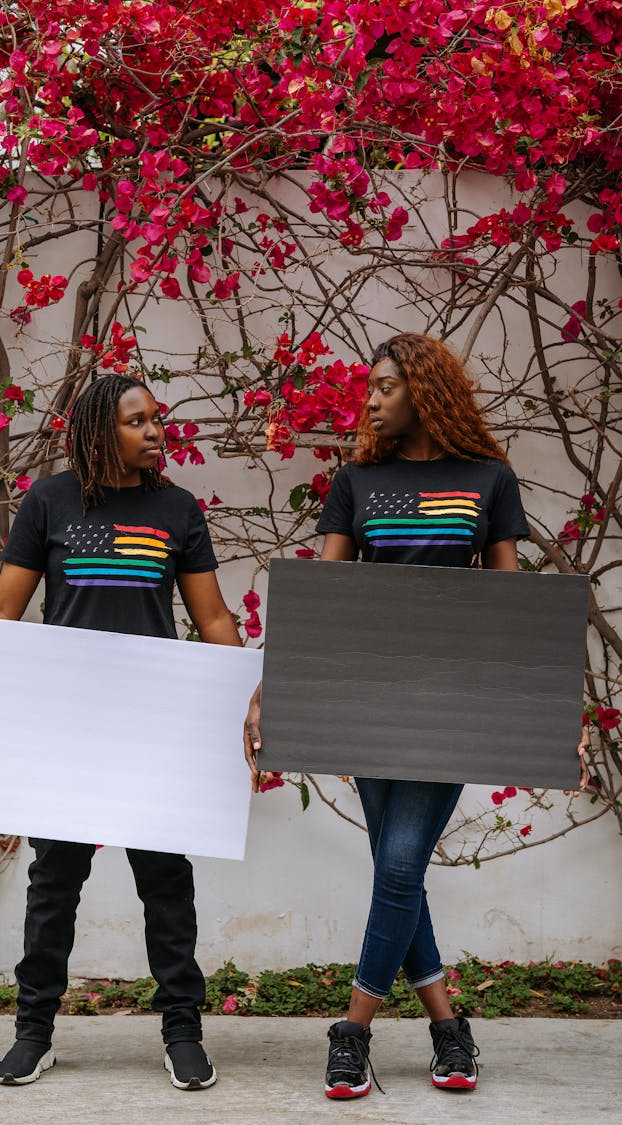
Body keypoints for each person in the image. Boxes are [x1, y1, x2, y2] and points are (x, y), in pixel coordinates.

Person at [243, 332, 589, 1099]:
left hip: (451, 704)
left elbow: (509, 609)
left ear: (424, 389)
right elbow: (325, 596)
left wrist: (551, 710)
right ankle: (447, 1026)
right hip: (367, 700)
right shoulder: (357, 479)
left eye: (385, 385)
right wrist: (273, 686)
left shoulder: (489, 480)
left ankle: (353, 1030)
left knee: (399, 863)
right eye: (371, 386)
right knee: (398, 870)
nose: (370, 399)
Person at [0, 373, 242, 1089]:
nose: (156, 430)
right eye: (138, 421)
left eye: (156, 418)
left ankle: (183, 1030)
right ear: (102, 429)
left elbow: (214, 618)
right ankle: (33, 1030)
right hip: (67, 724)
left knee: (166, 879)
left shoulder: (177, 509)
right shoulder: (49, 502)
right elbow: (5, 607)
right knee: (55, 881)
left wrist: (249, 699)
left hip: (153, 724)